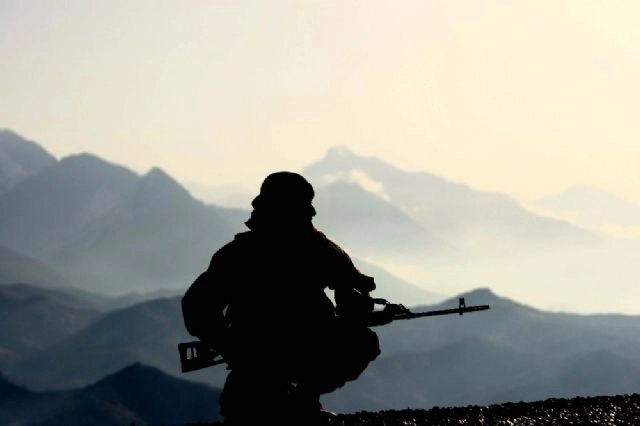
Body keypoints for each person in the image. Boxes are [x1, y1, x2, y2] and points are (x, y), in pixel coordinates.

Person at [181, 171, 381, 425]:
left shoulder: (238, 253)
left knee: (245, 407)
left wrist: (229, 344)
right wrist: (230, 345)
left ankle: (302, 403)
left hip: (270, 351)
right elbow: (197, 307)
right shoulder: (318, 249)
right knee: (361, 342)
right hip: (269, 354)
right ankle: (302, 403)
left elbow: (197, 306)